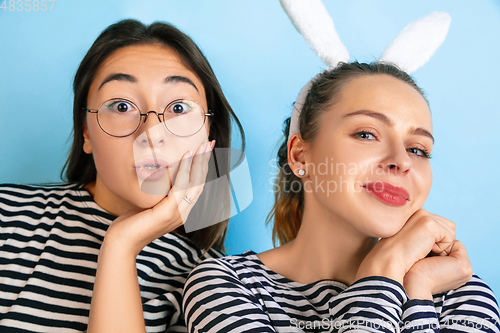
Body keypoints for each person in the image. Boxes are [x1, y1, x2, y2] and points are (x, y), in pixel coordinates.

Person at [183, 62, 500, 332]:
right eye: (366, 134)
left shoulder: (457, 289)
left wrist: (418, 290)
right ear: (300, 156)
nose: (402, 161)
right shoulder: (225, 285)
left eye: (418, 149)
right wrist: (384, 271)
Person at [0, 19, 244, 332]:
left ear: (209, 133)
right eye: (121, 105)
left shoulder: (213, 286)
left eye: (179, 108)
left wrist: (121, 244)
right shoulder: (8, 215)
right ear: (85, 132)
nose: (151, 133)